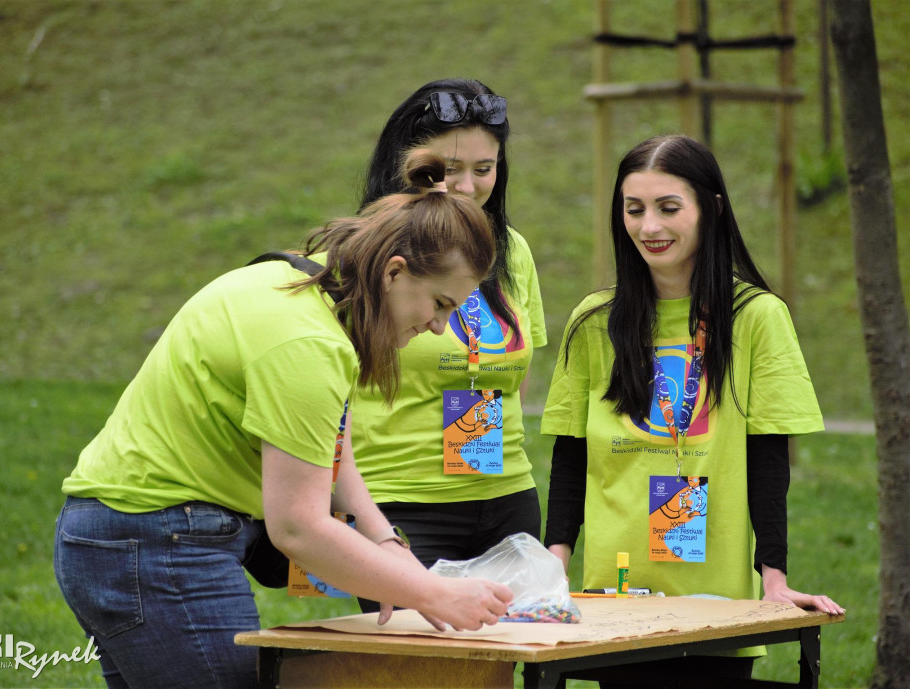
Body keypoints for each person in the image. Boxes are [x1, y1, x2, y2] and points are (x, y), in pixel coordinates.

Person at [53, 150, 515, 689]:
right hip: (160, 544)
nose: (439, 327)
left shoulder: (304, 283)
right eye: (439, 303)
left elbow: (325, 443)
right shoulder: (308, 344)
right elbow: (298, 527)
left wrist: (387, 546)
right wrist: (436, 594)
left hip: (119, 535)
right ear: (395, 271)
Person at [542, 134, 844, 685]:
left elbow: (768, 458)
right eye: (633, 210)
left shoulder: (756, 317)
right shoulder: (593, 321)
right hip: (616, 596)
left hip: (717, 602)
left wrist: (773, 579)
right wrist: (553, 568)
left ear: (711, 208)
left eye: (668, 208)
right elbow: (571, 452)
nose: (649, 227)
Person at [351, 79, 547, 610]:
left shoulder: (513, 252)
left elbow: (517, 371)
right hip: (402, 505)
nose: (466, 185)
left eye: (484, 169)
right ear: (407, 162)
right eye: (449, 169)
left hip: (507, 500)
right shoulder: (366, 252)